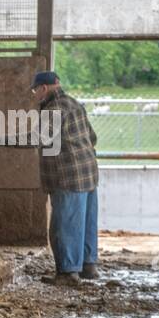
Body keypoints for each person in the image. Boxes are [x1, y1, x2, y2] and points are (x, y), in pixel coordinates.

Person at [33, 70, 100, 284]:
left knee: (65, 224)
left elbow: (38, 137)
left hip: (67, 176)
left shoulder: (54, 108)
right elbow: (92, 137)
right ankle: (88, 267)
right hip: (88, 172)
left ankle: (67, 273)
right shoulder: (74, 104)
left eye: (35, 90)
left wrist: (0, 141)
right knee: (85, 222)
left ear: (43, 88)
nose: (35, 95)